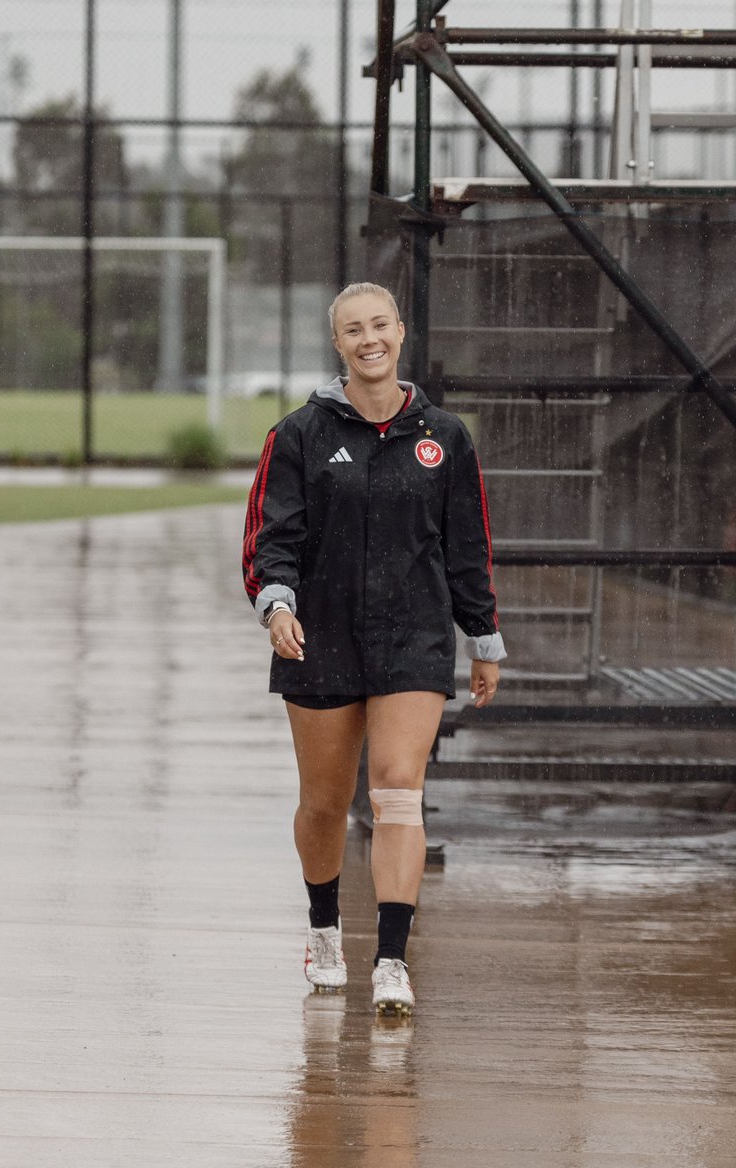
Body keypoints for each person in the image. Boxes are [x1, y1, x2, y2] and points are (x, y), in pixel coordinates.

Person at [243, 281, 505, 1016]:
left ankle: (391, 959)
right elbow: (273, 536)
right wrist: (276, 605)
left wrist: (482, 637)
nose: (369, 339)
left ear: (398, 332)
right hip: (318, 635)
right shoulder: (298, 434)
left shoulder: (443, 436)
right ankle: (324, 930)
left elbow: (466, 546)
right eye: (353, 329)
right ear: (338, 344)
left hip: (413, 639)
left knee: (396, 789)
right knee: (325, 803)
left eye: (379, 325)